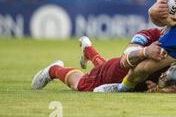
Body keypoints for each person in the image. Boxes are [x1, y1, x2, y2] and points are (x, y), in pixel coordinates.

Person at [31, 31, 168, 92]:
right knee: (80, 84)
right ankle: (54, 69)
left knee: (101, 70)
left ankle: (88, 51)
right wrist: (145, 52)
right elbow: (125, 58)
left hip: (122, 76)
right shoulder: (150, 34)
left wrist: (158, 88)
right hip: (117, 72)